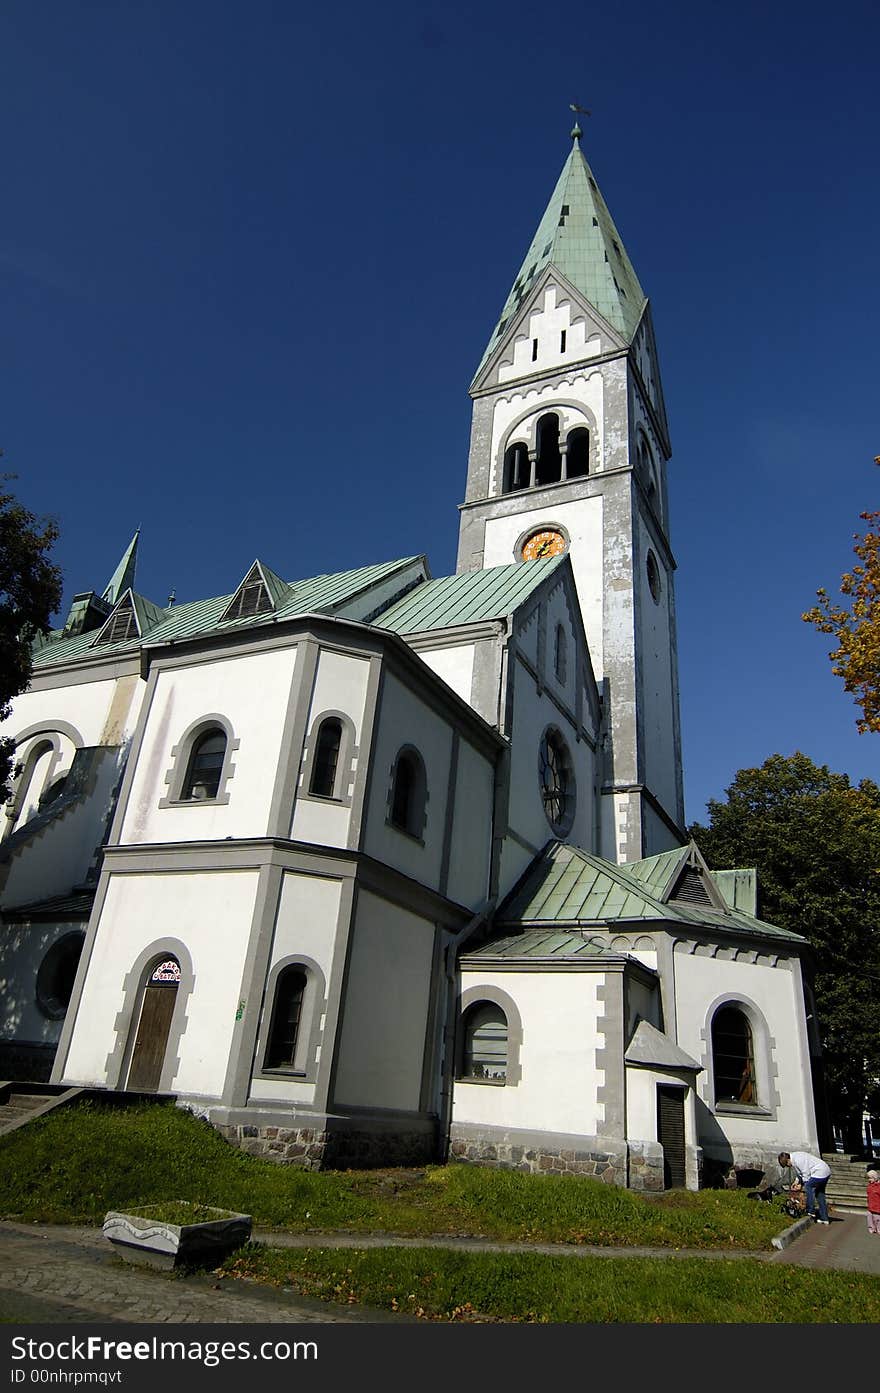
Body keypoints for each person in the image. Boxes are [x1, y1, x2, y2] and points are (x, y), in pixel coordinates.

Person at [778, 1150, 831, 1224]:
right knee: (820, 1194)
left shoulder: (798, 1160)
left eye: (787, 1164)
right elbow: (800, 1173)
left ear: (788, 1160)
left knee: (809, 1187)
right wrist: (796, 1182)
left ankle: (810, 1211)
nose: (788, 1166)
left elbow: (806, 1174)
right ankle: (824, 1218)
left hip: (820, 1171)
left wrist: (801, 1185)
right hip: (825, 1171)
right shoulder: (795, 1158)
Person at [867, 1169, 880, 1235]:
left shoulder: (878, 1186)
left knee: (877, 1218)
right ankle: (871, 1228)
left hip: (877, 1205)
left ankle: (878, 1228)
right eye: (868, 1178)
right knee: (869, 1217)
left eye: (870, 1178)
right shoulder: (869, 1185)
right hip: (870, 1204)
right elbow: (868, 1193)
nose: (869, 1180)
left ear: (875, 1178)